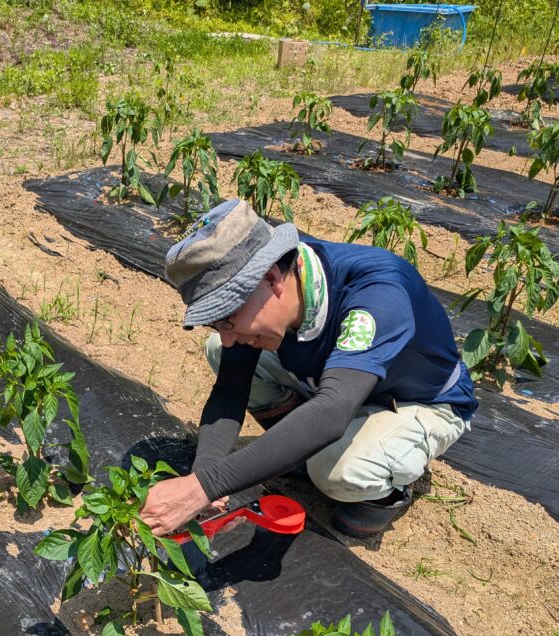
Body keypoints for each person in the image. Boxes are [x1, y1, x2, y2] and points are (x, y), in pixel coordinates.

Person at [139, 198, 477, 538]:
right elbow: (231, 388)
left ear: (271, 278)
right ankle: (301, 452)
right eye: (215, 323)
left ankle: (384, 492)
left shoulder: (378, 293)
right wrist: (205, 475)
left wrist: (201, 487)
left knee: (336, 471)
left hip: (417, 400)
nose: (227, 336)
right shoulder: (276, 287)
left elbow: (332, 410)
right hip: (339, 382)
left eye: (227, 318)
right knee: (221, 350)